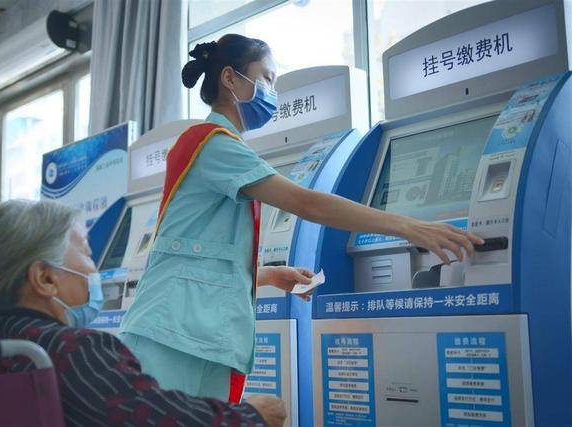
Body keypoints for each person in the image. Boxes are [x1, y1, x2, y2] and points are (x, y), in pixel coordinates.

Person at [119, 34, 484, 402]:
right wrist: (410, 227)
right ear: (229, 78)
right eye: (266, 78)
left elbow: (198, 253)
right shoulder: (214, 144)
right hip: (175, 333)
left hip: (184, 328)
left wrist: (267, 275)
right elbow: (307, 203)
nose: (272, 93)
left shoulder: (209, 143)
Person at [0, 199, 286, 427]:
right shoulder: (73, 352)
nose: (93, 270)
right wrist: (252, 416)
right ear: (45, 278)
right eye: (87, 253)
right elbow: (160, 418)